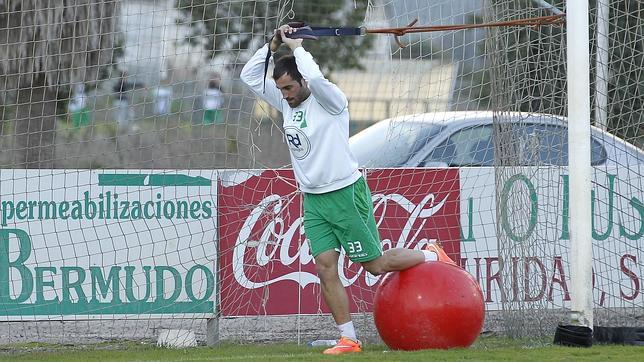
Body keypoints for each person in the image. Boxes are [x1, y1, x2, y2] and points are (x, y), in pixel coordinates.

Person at [240, 24, 455, 355]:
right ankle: (349, 339)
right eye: (281, 89)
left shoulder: (331, 101)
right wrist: (269, 47)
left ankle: (432, 254)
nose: (285, 95)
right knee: (325, 266)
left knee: (375, 265)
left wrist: (298, 48)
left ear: (304, 80)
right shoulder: (286, 104)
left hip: (345, 194)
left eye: (290, 88)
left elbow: (320, 81)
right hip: (313, 200)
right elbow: (249, 77)